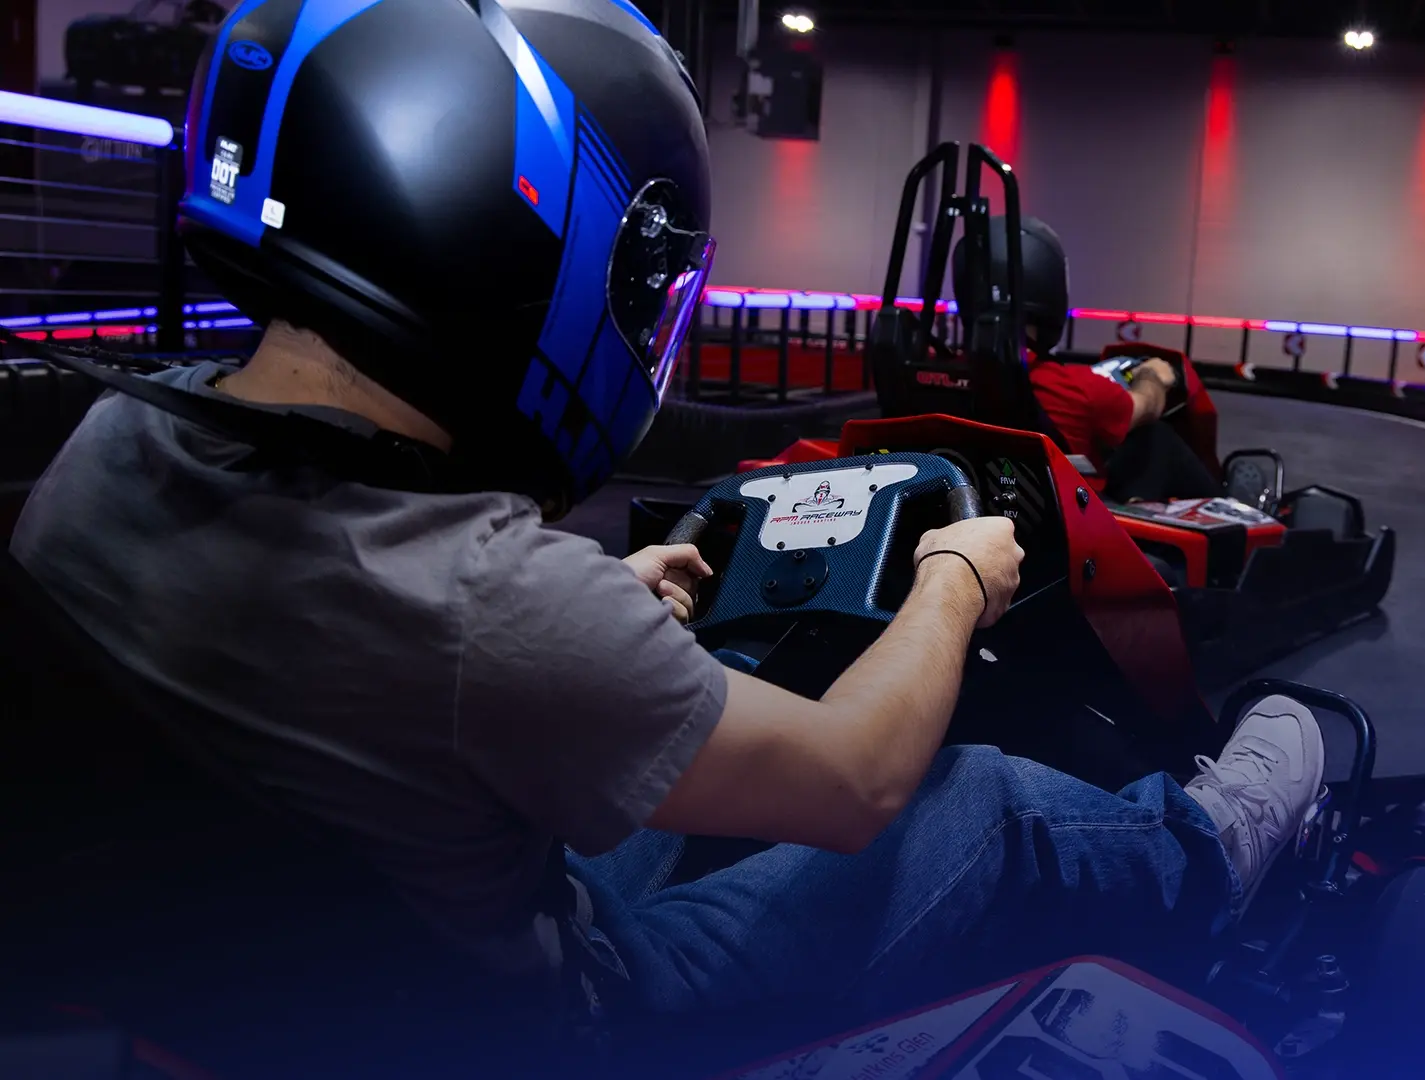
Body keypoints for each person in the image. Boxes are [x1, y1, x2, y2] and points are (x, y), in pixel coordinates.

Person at [7, 0, 1326, 1069]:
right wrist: (954, 578)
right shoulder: (487, 603)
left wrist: (602, 607)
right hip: (535, 1026)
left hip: (277, 969)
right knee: (960, 799)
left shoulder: (114, 444)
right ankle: (1208, 846)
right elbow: (850, 779)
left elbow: (385, 667)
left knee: (708, 731)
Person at [953, 216, 1227, 503]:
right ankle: (1226, 516)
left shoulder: (939, 374)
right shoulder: (1068, 388)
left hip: (970, 504)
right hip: (1065, 524)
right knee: (1155, 439)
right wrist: (1152, 376)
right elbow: (1145, 405)